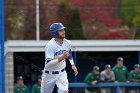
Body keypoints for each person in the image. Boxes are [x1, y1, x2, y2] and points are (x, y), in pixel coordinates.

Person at [41, 22, 78, 93]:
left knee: (64, 91)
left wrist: (72, 64)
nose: (63, 32)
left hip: (61, 73)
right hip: (49, 74)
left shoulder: (67, 42)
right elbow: (49, 63)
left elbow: (69, 53)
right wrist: (62, 57)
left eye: (63, 30)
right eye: (61, 30)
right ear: (54, 33)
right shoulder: (50, 45)